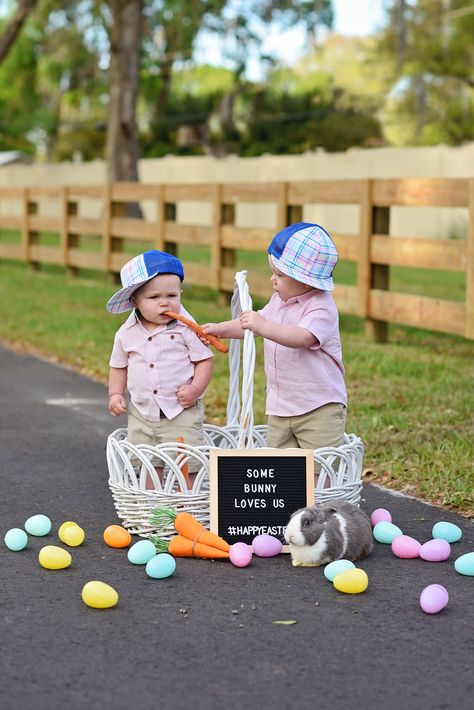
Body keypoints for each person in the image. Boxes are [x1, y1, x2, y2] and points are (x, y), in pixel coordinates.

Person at [203, 223, 347, 463]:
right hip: (281, 406)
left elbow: (303, 337)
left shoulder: (321, 306)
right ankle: (291, 502)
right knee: (282, 468)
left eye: (279, 274)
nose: (273, 279)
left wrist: (263, 326)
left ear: (306, 280)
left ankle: (323, 501)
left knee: (320, 466)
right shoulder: (279, 300)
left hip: (319, 406)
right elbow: (251, 325)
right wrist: (220, 329)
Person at [106, 249, 213, 489]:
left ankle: (186, 501)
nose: (165, 302)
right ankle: (152, 503)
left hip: (180, 411)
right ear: (134, 301)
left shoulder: (187, 329)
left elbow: (204, 360)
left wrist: (195, 389)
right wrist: (115, 394)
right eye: (154, 297)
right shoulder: (126, 333)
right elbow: (118, 366)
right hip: (142, 413)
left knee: (187, 461)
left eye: (172, 295)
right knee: (146, 461)